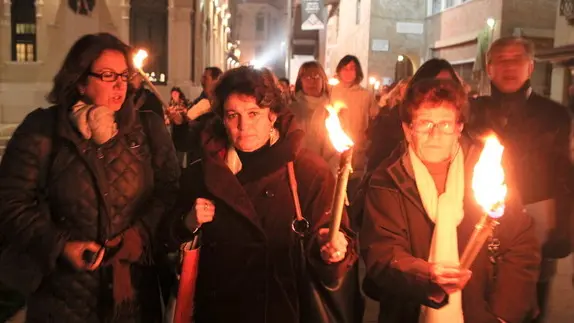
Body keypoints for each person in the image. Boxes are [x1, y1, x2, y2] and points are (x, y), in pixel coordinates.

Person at [0, 33, 180, 322]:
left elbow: (170, 191)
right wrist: (59, 245)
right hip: (63, 297)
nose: (120, 84)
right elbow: (10, 201)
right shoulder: (44, 130)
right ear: (80, 81)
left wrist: (139, 236)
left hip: (132, 292)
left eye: (124, 74)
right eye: (108, 75)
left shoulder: (147, 127)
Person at [162, 66, 358, 322]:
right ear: (222, 118)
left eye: (254, 113)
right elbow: (166, 236)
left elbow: (337, 239)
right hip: (219, 311)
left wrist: (334, 250)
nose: (244, 126)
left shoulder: (308, 172)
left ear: (273, 115)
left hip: (285, 309)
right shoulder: (204, 172)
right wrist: (187, 223)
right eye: (233, 115)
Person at [360, 78, 540, 323]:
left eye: (445, 124)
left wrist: (502, 314)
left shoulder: (486, 169)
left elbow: (521, 243)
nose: (435, 134)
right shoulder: (387, 180)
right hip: (410, 312)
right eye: (425, 123)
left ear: (458, 127)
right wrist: (426, 275)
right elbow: (382, 253)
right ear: (408, 129)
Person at [467, 36, 573, 323]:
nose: (509, 67)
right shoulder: (473, 111)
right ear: (489, 69)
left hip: (536, 216)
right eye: (502, 60)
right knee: (480, 292)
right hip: (480, 214)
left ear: (531, 67)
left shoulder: (554, 115)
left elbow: (564, 175)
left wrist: (562, 229)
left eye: (518, 59)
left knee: (529, 301)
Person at [289, 61, 335, 167]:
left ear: (323, 80)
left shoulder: (332, 110)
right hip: (297, 169)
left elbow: (336, 150)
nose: (312, 81)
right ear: (300, 81)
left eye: (317, 76)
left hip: (326, 169)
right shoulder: (292, 110)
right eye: (307, 77)